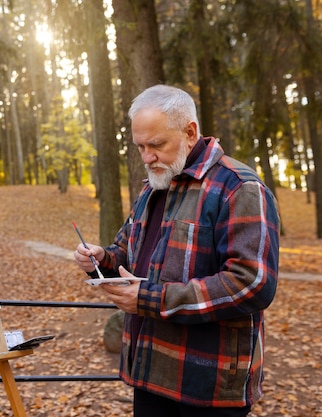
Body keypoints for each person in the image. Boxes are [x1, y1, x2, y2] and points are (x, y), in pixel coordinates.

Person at [74, 84, 279, 417]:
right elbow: (127, 254)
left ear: (189, 132)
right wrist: (101, 260)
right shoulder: (153, 187)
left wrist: (152, 299)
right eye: (140, 146)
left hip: (207, 387)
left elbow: (252, 284)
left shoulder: (239, 187)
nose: (146, 157)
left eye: (156, 144)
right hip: (149, 375)